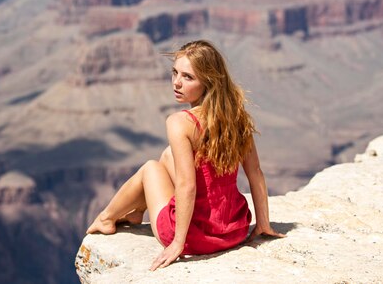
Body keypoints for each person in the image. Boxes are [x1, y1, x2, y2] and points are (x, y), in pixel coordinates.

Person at [86, 39, 284, 271]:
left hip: (195, 238)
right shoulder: (236, 118)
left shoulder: (180, 123)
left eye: (188, 77)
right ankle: (137, 211)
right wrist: (262, 223)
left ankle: (107, 218)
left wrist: (178, 243)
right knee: (168, 155)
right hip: (234, 230)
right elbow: (256, 173)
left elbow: (187, 186)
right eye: (175, 73)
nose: (177, 83)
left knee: (151, 167)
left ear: (209, 82)